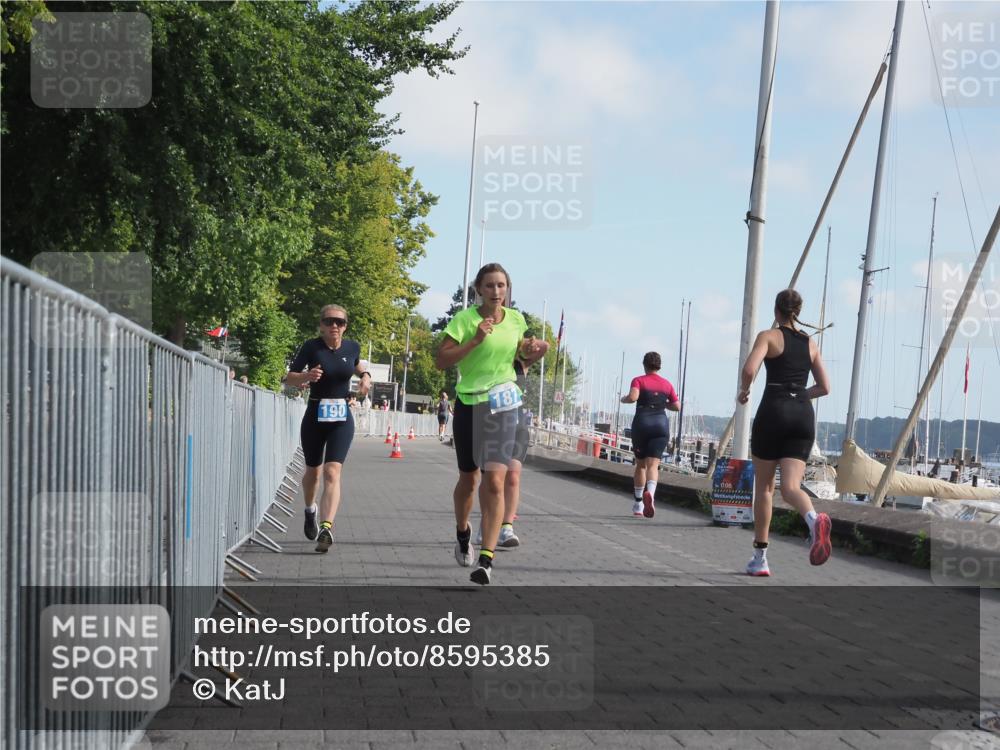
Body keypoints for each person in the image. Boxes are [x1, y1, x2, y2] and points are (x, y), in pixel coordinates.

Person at [435, 263, 546, 585]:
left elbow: (520, 360)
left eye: (501, 286)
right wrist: (475, 341)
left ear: (507, 289)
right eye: (490, 286)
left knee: (496, 481)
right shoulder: (465, 320)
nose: (496, 292)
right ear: (479, 290)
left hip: (504, 405)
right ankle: (462, 531)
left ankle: (486, 559)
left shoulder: (517, 320)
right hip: (470, 402)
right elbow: (442, 360)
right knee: (469, 481)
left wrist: (534, 351)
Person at [738, 289, 832, 577]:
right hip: (802, 415)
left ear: (776, 310)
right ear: (797, 312)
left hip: (773, 411)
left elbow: (749, 369)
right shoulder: (810, 344)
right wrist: (802, 394)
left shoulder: (768, 336)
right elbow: (825, 388)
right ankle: (813, 520)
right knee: (791, 488)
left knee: (765, 489)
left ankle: (760, 558)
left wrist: (744, 391)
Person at [283, 304, 371, 553]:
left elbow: (358, 365)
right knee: (313, 473)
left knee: (332, 472)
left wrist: (366, 377)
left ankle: (326, 527)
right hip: (315, 415)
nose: (334, 326)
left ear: (345, 326)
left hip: (341, 417)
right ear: (321, 325)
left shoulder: (352, 346)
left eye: (340, 322)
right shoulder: (311, 347)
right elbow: (289, 376)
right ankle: (310, 510)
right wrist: (306, 377)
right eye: (329, 321)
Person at [620, 352, 680, 518]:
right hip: (661, 425)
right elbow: (677, 406)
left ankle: (639, 504)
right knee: (653, 465)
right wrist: (663, 404)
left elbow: (633, 397)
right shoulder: (667, 384)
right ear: (659, 366)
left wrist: (624, 399)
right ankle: (651, 495)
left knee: (641, 465)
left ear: (644, 364)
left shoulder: (638, 380)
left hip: (642, 424)